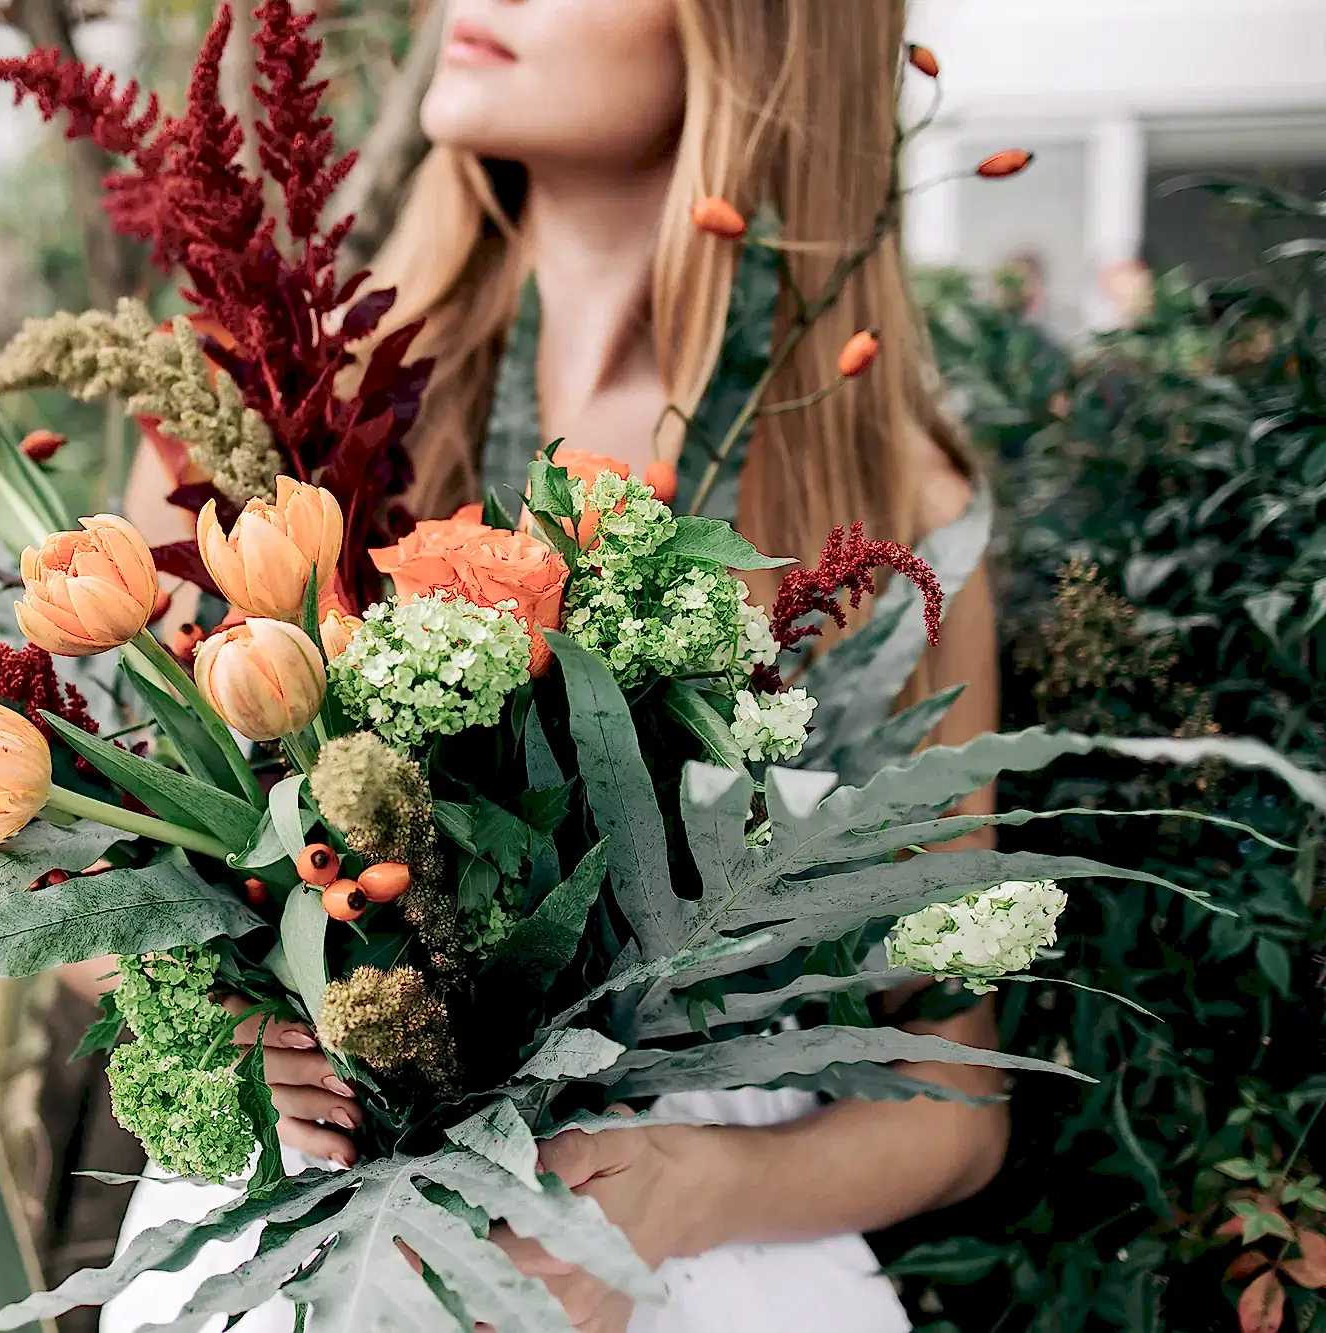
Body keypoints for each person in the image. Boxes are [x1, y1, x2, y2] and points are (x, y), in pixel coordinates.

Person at [85, 2, 1007, 1328]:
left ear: (760, 33)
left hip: (702, 1273)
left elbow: (957, 1099)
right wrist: (235, 1031)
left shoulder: (889, 501)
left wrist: (691, 1190)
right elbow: (85, 878)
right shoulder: (277, 404)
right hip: (310, 1248)